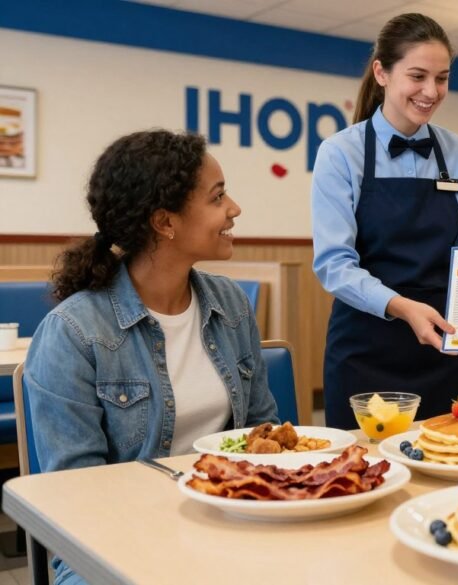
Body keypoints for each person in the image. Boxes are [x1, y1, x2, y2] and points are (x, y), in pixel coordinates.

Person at [23, 130, 279, 584]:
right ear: (165, 222)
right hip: (112, 543)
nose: (234, 209)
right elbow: (77, 498)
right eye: (218, 197)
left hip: (228, 524)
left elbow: (266, 440)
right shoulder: (75, 332)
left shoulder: (231, 304)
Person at [311, 13, 458, 430]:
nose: (431, 91)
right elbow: (334, 265)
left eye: (442, 78)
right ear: (382, 73)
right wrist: (402, 308)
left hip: (441, 348)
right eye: (418, 76)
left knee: (442, 463)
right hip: (364, 348)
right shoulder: (340, 153)